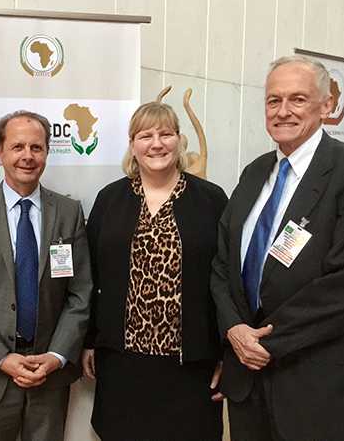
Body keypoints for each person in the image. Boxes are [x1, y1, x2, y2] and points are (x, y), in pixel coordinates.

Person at [211, 55, 344, 441]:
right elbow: (223, 263)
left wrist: (267, 342)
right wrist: (235, 329)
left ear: (326, 106)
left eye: (298, 99)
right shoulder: (255, 171)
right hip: (248, 379)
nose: (283, 111)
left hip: (316, 383)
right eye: (274, 100)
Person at [82, 101, 228, 441]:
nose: (157, 143)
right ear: (133, 144)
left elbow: (225, 279)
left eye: (166, 134)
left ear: (180, 140)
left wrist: (226, 354)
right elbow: (91, 275)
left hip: (190, 361)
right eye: (145, 135)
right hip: (123, 360)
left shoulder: (211, 199)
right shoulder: (110, 199)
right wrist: (88, 340)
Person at [0, 110, 92, 441]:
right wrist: (0, 358)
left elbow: (80, 293)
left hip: (49, 376)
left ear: (47, 154)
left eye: (37, 148)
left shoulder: (69, 213)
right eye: (18, 146)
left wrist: (57, 355)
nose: (28, 156)